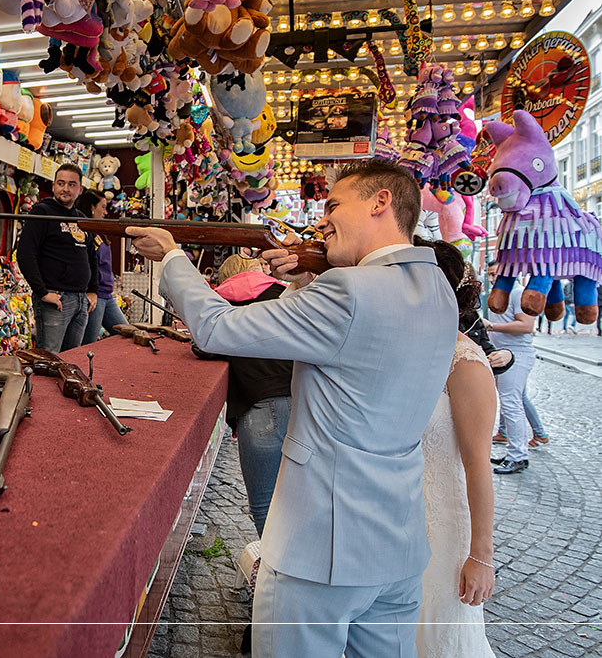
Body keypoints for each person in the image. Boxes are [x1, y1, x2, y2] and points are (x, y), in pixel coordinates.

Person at [128, 159, 458, 658]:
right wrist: (308, 281)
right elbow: (360, 349)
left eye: (333, 205)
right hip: (398, 540)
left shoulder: (348, 290)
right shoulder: (438, 289)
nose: (324, 221)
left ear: (380, 202)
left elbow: (217, 328)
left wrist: (173, 256)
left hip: (321, 544)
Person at [417, 239, 498, 658]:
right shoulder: (412, 350)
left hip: (444, 529)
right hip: (401, 520)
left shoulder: (463, 362)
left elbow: (477, 465)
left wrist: (481, 556)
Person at [208, 253, 294, 539]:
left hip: (258, 405)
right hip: (304, 401)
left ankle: (276, 572)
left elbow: (207, 345)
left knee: (264, 504)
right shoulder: (285, 293)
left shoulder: (219, 304)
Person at [16, 164, 97, 353]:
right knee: (49, 358)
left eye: (71, 184)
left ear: (80, 189)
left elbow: (92, 256)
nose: (65, 189)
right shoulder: (42, 212)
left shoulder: (81, 218)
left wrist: (93, 290)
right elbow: (25, 254)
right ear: (53, 186)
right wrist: (43, 292)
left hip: (80, 299)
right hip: (55, 299)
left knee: (71, 358)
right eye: (61, 183)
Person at [485, 275, 538, 474]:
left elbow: (526, 326)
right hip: (503, 353)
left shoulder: (517, 292)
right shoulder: (501, 294)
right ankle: (525, 444)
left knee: (511, 402)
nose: (492, 278)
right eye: (490, 274)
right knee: (517, 400)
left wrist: (491, 326)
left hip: (516, 353)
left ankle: (518, 456)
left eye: (495, 274)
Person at [76, 189, 129, 344]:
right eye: (103, 207)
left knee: (127, 335)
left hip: (107, 295)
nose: (106, 212)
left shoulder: (99, 232)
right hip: (95, 296)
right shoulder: (85, 234)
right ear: (92, 208)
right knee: (88, 344)